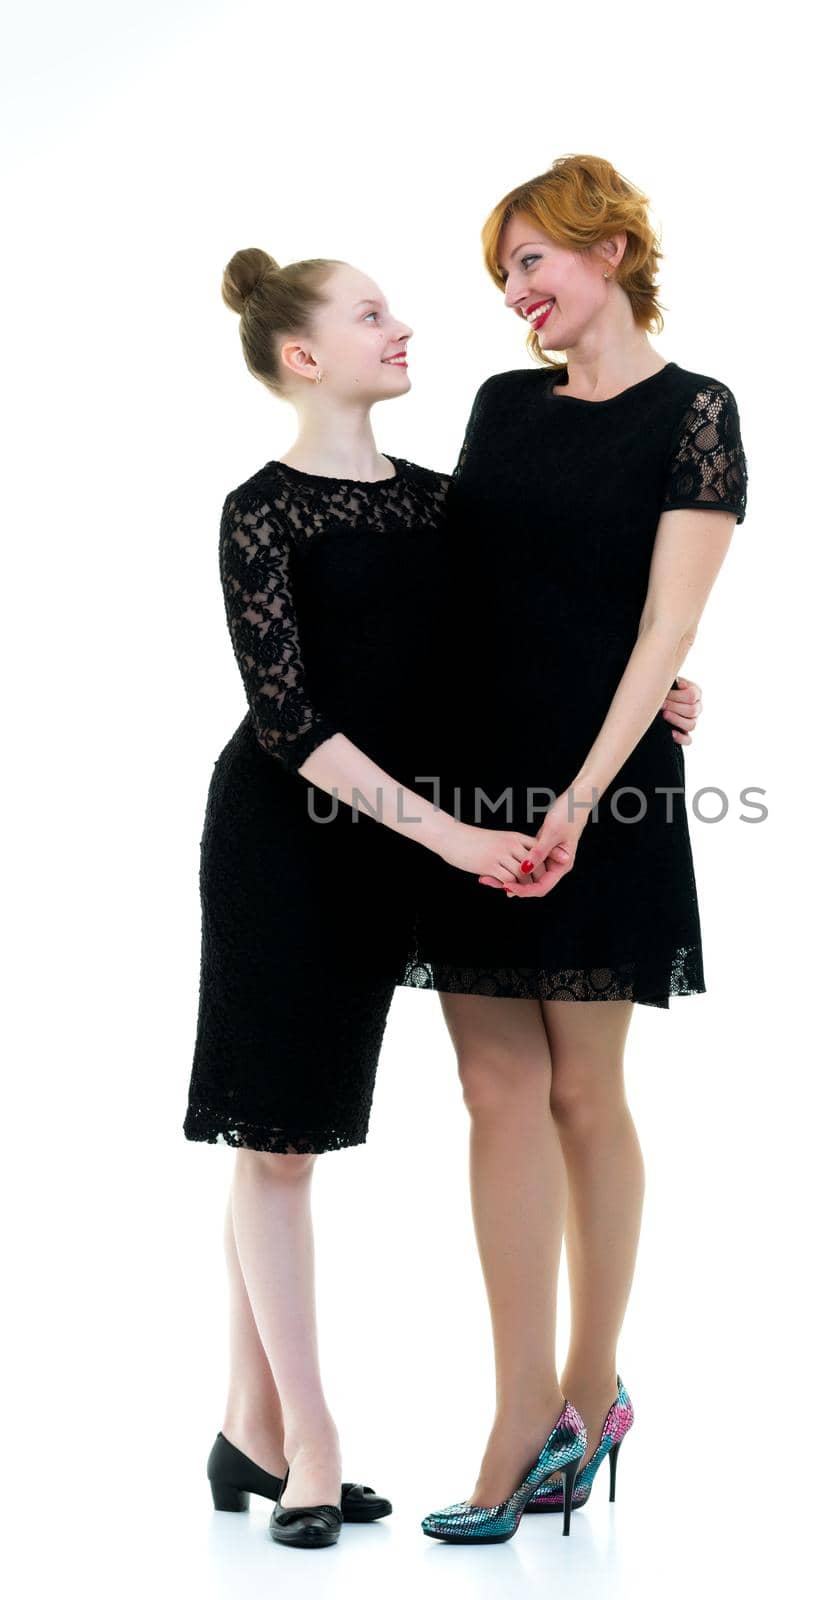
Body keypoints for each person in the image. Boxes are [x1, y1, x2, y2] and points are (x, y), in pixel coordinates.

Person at [183, 243, 706, 1548]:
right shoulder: (259, 510)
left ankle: (245, 1426)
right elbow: (290, 721)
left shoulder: (433, 502)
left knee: (289, 1133)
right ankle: (310, 1446)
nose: (404, 325)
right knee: (277, 1135)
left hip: (399, 855)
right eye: (373, 314)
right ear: (306, 356)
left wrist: (649, 701)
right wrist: (461, 840)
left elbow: (526, 622)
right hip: (289, 841)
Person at [399, 155, 749, 1544]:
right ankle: (514, 1405)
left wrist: (585, 792)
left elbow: (667, 629)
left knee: (583, 1095)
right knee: (495, 1090)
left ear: (608, 252)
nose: (515, 294)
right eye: (503, 274)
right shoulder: (501, 404)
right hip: (473, 779)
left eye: (532, 260)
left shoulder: (698, 413)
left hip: (600, 791)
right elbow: (463, 581)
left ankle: (590, 1396)